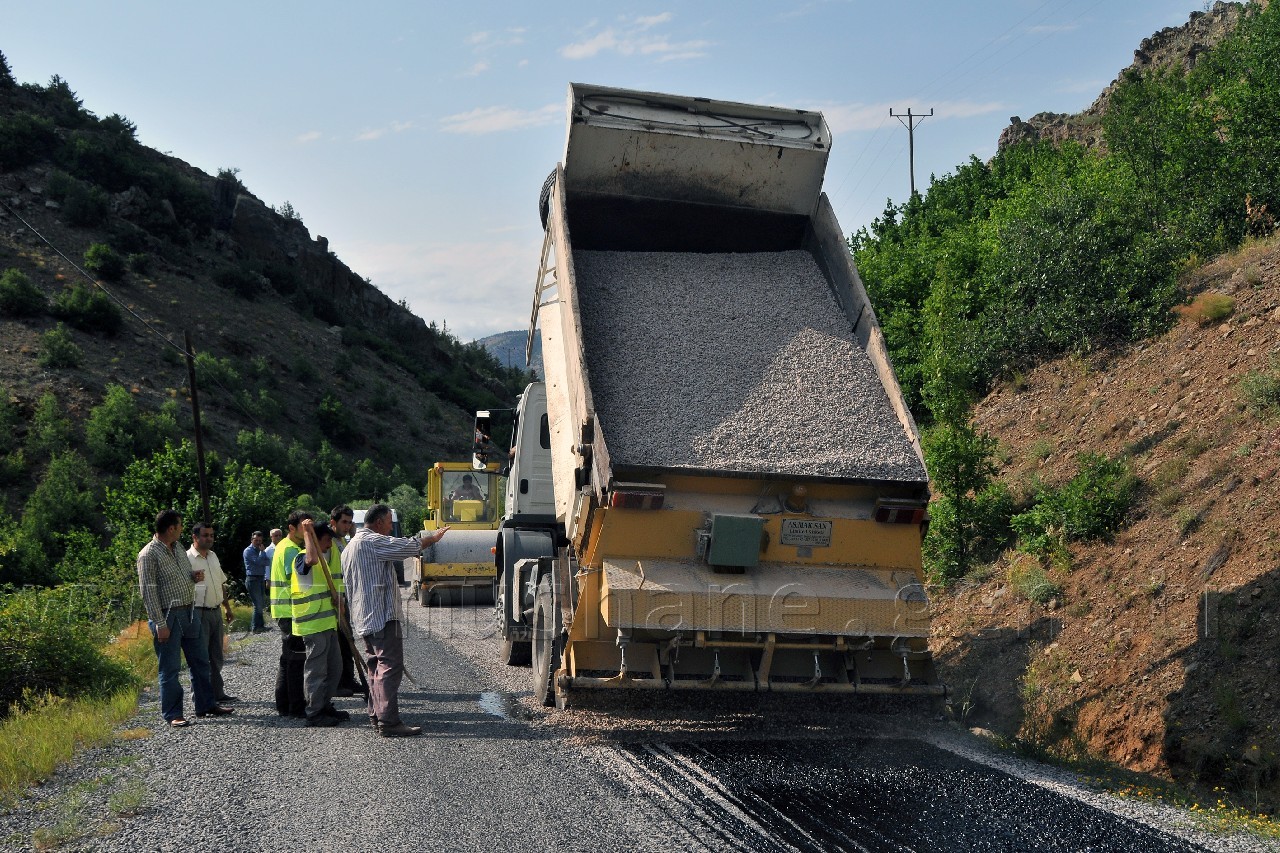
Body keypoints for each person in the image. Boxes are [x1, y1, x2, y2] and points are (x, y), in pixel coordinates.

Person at [341, 503, 447, 737]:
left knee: (375, 668)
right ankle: (388, 722)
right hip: (381, 616)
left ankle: (376, 716)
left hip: (363, 617)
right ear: (378, 523)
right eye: (389, 523)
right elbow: (408, 546)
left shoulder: (349, 547)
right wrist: (434, 537)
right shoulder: (372, 541)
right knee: (389, 667)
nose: (390, 528)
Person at [137, 509, 233, 727]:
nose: (182, 529)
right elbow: (148, 592)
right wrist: (160, 624)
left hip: (190, 612)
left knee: (200, 662)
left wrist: (192, 577)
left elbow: (179, 577)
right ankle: (173, 714)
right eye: (180, 525)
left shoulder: (178, 547)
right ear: (171, 528)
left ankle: (206, 705)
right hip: (168, 615)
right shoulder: (148, 554)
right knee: (170, 668)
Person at [292, 519, 349, 727]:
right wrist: (308, 533)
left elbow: (333, 582)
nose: (329, 544)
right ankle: (314, 713)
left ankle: (325, 705)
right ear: (316, 539)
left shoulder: (328, 558)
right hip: (312, 624)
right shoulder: (302, 558)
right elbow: (310, 560)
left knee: (335, 667)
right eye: (325, 540)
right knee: (317, 670)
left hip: (328, 621)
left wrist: (339, 600)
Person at [187, 522, 237, 703]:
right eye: (205, 535)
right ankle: (200, 697)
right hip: (198, 612)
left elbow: (220, 584)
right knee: (200, 657)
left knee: (216, 656)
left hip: (215, 611)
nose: (209, 538)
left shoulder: (213, 556)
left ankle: (217, 693)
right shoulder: (187, 559)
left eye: (211, 535)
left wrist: (227, 607)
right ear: (195, 537)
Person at [270, 511, 311, 718]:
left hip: (284, 609)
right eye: (304, 528)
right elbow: (295, 577)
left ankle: (284, 705)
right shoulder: (291, 550)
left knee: (287, 659)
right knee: (295, 661)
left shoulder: (285, 546)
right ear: (291, 528)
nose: (307, 532)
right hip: (290, 610)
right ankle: (295, 706)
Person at [328, 505, 363, 697]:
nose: (347, 525)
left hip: (343, 597)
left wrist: (353, 532)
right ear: (333, 521)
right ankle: (339, 683)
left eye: (350, 522)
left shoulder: (342, 540)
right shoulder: (327, 542)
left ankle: (348, 679)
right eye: (344, 522)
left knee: (347, 639)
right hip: (332, 600)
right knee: (339, 643)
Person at [243, 531, 271, 633]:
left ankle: (261, 626)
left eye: (260, 540)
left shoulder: (259, 550)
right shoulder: (248, 551)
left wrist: (261, 557)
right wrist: (262, 553)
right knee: (257, 604)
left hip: (260, 579)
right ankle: (255, 627)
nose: (258, 542)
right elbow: (259, 561)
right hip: (252, 579)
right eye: (256, 540)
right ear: (252, 540)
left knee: (261, 603)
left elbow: (267, 562)